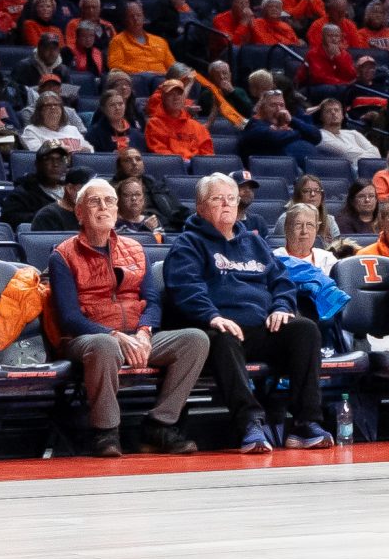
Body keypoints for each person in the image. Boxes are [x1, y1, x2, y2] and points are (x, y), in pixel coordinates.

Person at [162, 174, 329, 454]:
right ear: (201, 207)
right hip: (219, 328)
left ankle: (305, 424)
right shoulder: (188, 244)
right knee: (223, 337)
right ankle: (250, 423)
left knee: (305, 330)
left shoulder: (254, 243)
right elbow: (185, 289)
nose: (226, 204)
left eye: (231, 198)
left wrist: (281, 307)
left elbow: (282, 282)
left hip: (262, 327)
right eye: (217, 199)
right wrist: (212, 316)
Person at [48, 179, 207, 455]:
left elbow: (152, 301)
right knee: (105, 345)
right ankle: (106, 432)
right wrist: (116, 336)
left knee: (195, 339)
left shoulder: (135, 248)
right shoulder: (62, 255)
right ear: (79, 213)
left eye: (109, 200)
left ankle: (160, 425)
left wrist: (145, 333)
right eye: (94, 201)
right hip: (87, 339)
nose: (103, 207)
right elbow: (69, 317)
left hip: (136, 336)